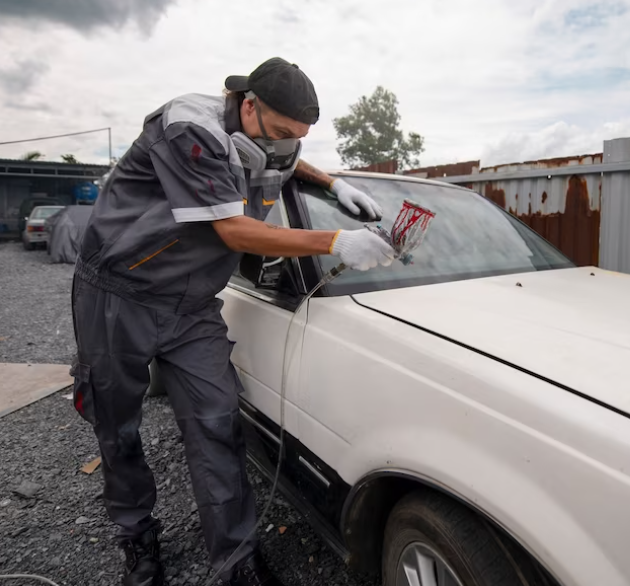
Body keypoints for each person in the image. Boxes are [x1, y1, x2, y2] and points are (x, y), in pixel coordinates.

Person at [70, 57, 396, 586]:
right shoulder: (188, 128)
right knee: (118, 424)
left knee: (218, 424)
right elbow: (235, 231)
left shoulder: (270, 136)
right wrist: (335, 241)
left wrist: (332, 184)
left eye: (301, 136)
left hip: (191, 303)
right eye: (285, 132)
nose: (291, 145)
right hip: (118, 291)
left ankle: (236, 561)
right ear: (248, 106)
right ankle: (137, 538)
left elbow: (284, 163)